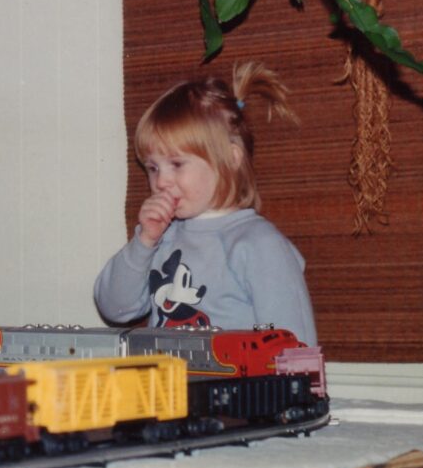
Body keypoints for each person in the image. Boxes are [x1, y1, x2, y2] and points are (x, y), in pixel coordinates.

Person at [93, 61, 317, 345]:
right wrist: (144, 243)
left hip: (234, 375)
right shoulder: (163, 238)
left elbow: (294, 340)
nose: (161, 181)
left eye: (176, 164)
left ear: (231, 158)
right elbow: (115, 308)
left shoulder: (258, 243)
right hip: (164, 373)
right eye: (153, 168)